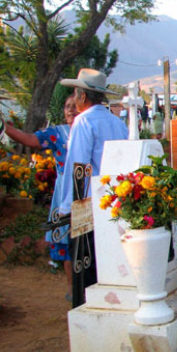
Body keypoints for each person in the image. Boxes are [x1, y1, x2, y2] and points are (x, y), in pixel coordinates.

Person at [59, 68, 128, 288]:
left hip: (88, 205)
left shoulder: (83, 122)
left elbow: (79, 167)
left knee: (86, 271)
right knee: (109, 265)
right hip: (114, 201)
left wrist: (68, 208)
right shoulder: (116, 122)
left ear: (83, 95)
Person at [4, 95, 78, 299]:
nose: (70, 110)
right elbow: (31, 140)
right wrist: (7, 129)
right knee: (66, 239)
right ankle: (72, 288)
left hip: (87, 189)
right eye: (67, 106)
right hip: (65, 191)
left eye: (75, 106)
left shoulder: (88, 130)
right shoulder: (57, 133)